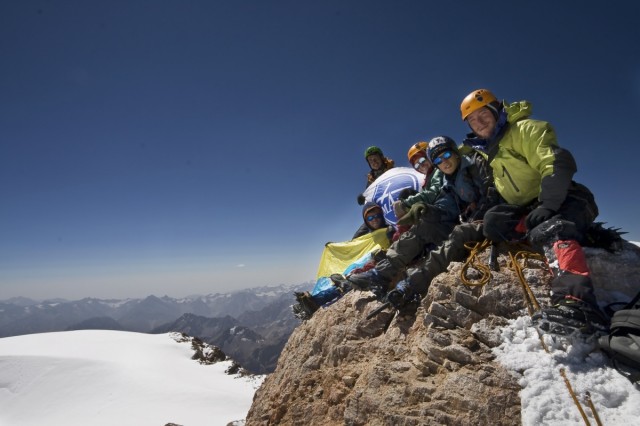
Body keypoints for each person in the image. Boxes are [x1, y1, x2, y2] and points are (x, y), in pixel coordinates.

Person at [388, 89, 605, 335]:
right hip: (526, 208)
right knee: (493, 222)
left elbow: (556, 162)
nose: (479, 123)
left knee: (552, 229)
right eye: (472, 120)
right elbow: (475, 171)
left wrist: (548, 204)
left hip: (563, 197)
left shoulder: (525, 130)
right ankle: (558, 233)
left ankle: (578, 303)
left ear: (496, 110)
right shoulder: (485, 150)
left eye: (483, 114)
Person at [347, 135, 497, 314]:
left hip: (483, 221)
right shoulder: (448, 180)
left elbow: (491, 192)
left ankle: (413, 285)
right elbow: (448, 206)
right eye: (438, 160)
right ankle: (380, 274)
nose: (444, 162)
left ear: (455, 152)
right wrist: (429, 210)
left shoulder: (473, 164)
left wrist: (475, 213)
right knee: (423, 227)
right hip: (461, 220)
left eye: (446, 155)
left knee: (457, 235)